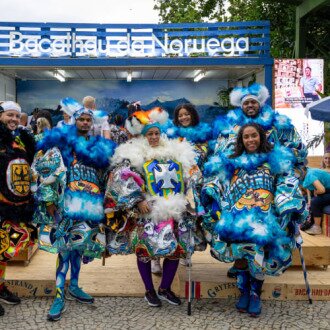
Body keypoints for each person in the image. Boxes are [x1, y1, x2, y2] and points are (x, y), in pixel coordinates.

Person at [202, 123, 307, 317]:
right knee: (241, 256)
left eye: (254, 136)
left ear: (261, 137)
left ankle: (255, 294)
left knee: (258, 256)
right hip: (236, 217)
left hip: (264, 218)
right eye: (246, 137)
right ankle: (243, 293)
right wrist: (212, 196)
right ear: (241, 141)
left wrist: (288, 204)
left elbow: (287, 180)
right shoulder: (232, 161)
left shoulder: (275, 159)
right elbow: (216, 179)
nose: (250, 140)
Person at [210, 83, 307, 278]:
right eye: (247, 103)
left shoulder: (278, 123)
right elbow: (218, 155)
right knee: (236, 226)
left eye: (254, 102)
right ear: (241, 106)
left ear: (260, 103)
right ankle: (240, 264)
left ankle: (259, 271)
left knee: (266, 226)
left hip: (268, 182)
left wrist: (283, 163)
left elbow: (297, 148)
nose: (250, 106)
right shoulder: (230, 126)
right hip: (237, 183)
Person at [105, 107, 197, 307]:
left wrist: (187, 198)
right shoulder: (133, 154)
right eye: (150, 134)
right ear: (143, 136)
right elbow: (121, 177)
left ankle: (165, 288)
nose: (154, 137)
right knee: (144, 251)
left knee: (175, 250)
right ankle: (149, 290)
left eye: (156, 133)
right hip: (147, 211)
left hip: (174, 210)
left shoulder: (175, 152)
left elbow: (190, 175)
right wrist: (138, 200)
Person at [32, 107, 116, 321]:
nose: (86, 123)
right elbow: (47, 171)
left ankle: (75, 286)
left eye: (89, 120)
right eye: (82, 119)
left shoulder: (97, 147)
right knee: (64, 252)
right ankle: (59, 295)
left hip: (89, 208)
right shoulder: (61, 144)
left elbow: (105, 175)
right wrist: (50, 201)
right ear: (74, 121)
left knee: (79, 248)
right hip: (65, 207)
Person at [0, 101, 37, 316]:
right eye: (9, 115)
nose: (14, 119)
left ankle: (1, 286)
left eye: (17, 116)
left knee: (6, 251)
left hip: (18, 207)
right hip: (1, 206)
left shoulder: (21, 140)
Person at [164, 103, 211, 268]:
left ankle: (186, 251)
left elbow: (209, 158)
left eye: (186, 114)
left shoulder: (204, 135)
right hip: (175, 183)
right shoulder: (172, 136)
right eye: (180, 115)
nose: (184, 118)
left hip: (196, 183)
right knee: (172, 217)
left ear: (193, 115)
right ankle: (160, 254)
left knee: (190, 219)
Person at [302, 167, 330, 235]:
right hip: (326, 190)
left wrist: (316, 193)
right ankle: (308, 223)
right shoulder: (307, 172)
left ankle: (317, 228)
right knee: (306, 199)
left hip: (327, 190)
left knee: (315, 202)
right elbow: (309, 188)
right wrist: (309, 200)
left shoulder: (310, 174)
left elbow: (322, 190)